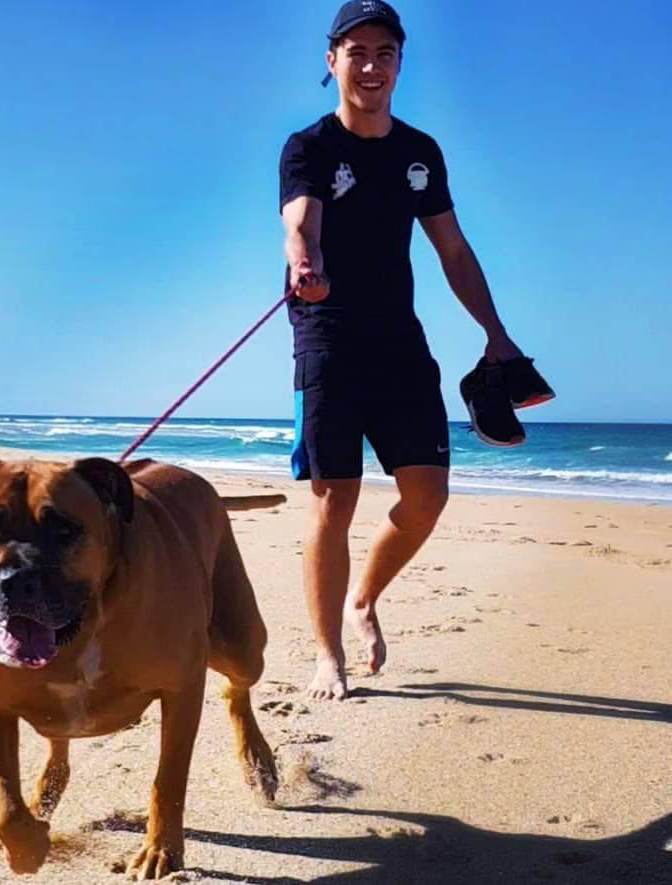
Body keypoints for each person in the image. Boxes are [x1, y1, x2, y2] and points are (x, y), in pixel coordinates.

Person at [280, 0, 524, 700]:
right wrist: (305, 261)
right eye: (355, 51)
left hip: (398, 340)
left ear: (398, 65)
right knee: (334, 500)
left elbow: (451, 246)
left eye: (384, 52)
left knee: (426, 496)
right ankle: (328, 654)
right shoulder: (310, 147)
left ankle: (364, 597)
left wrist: (495, 333)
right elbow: (300, 219)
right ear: (332, 63)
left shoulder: (419, 152)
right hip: (325, 334)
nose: (370, 64)